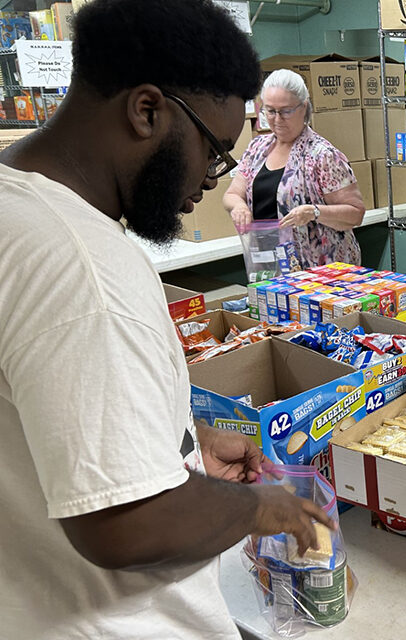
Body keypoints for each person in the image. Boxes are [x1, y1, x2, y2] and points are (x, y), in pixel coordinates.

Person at [0, 1, 334, 637]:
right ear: (146, 110)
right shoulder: (83, 270)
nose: (213, 181)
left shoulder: (14, 205)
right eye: (214, 152)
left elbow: (46, 419)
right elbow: (123, 525)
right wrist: (260, 507)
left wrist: (179, 443)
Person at [224, 69, 366, 268]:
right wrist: (238, 207)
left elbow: (355, 213)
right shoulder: (257, 149)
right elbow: (231, 194)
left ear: (304, 107)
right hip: (269, 264)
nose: (277, 119)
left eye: (286, 111)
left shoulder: (322, 155)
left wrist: (314, 212)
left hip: (322, 271)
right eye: (270, 111)